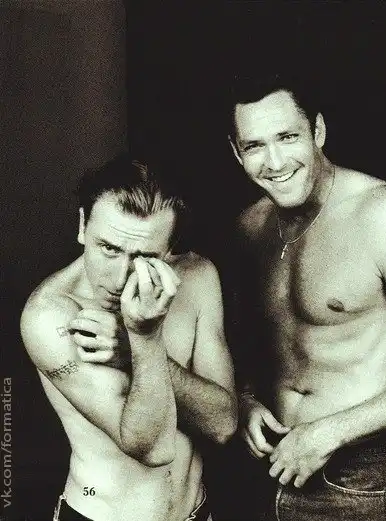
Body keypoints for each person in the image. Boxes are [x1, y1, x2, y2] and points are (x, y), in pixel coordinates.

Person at [227, 74, 386, 521]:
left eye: (287, 137)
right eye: (254, 146)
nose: (274, 162)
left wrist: (327, 434)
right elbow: (253, 340)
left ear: (318, 131)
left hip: (359, 477)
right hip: (272, 465)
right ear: (236, 152)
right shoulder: (250, 227)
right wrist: (247, 399)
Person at [21, 155, 237, 521]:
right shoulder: (51, 316)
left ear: (169, 248)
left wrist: (132, 348)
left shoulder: (197, 277)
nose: (120, 277)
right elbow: (153, 449)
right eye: (108, 248)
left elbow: (223, 425)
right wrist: (145, 337)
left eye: (145, 256)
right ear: (82, 225)